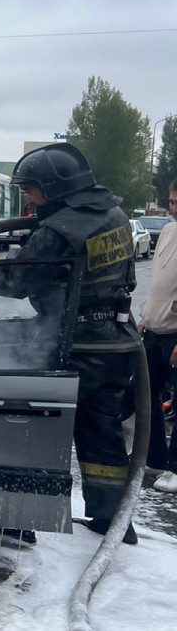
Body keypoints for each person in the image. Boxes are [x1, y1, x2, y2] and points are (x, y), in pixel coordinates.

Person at [0, 142, 140, 545]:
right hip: (114, 344)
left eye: (31, 190)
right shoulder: (112, 214)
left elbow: (12, 282)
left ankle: (12, 520)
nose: (28, 198)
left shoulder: (59, 230)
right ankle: (114, 520)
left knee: (22, 423)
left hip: (71, 346)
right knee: (100, 432)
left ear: (54, 188)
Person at [139, 178, 177, 493]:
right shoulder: (167, 231)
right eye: (172, 202)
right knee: (147, 397)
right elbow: (159, 281)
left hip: (176, 335)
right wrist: (146, 316)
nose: (174, 209)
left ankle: (175, 468)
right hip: (154, 329)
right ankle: (154, 458)